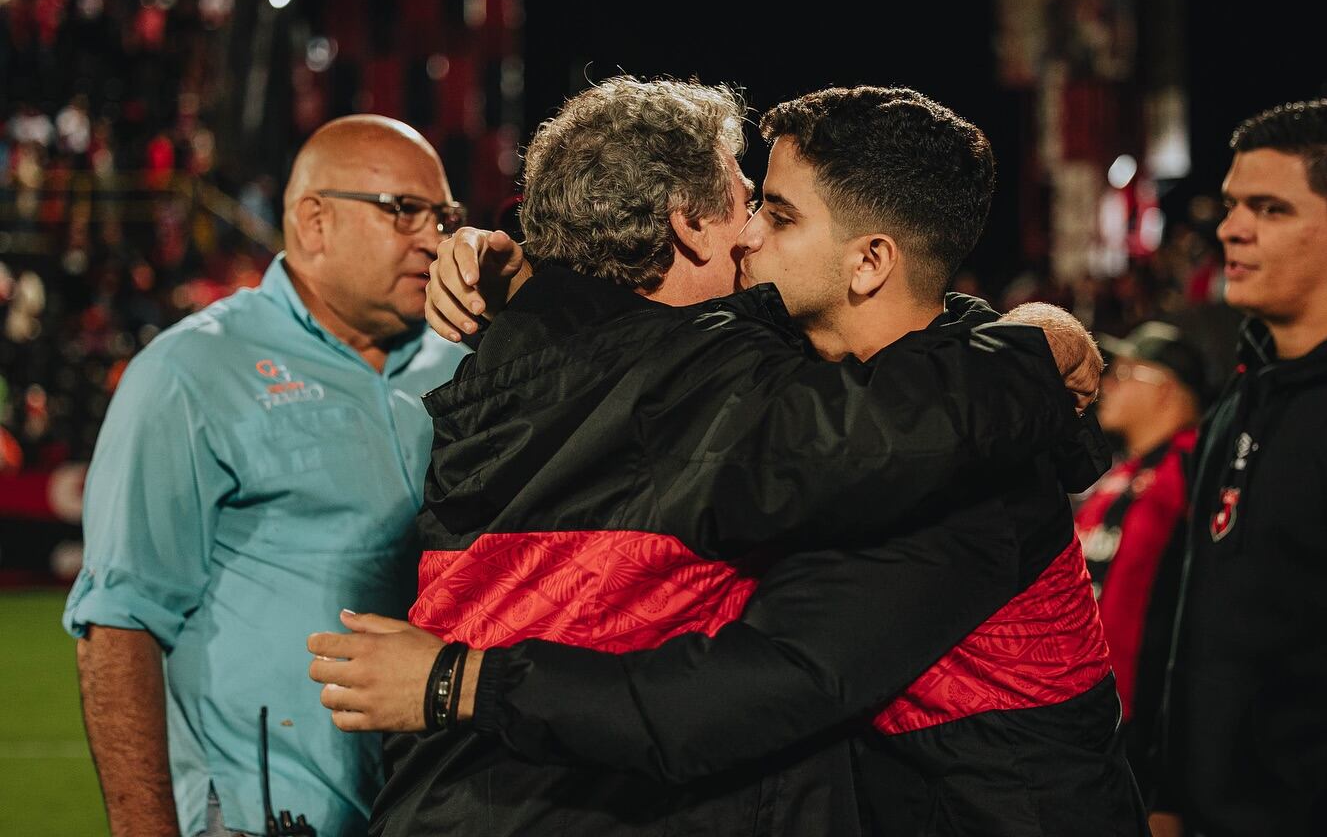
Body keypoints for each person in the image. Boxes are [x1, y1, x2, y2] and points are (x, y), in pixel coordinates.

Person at [311, 81, 1143, 835]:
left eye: (777, 214)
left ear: (869, 261)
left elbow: (743, 692)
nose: (750, 235)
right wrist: (1036, 346)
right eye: (754, 205)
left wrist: (1038, 343)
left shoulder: (948, 463)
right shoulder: (731, 386)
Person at [63, 115, 469, 837]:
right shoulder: (191, 372)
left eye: (444, 216)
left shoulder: (472, 365)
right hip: (261, 818)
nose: (434, 239)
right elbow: (120, 622)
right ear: (314, 222)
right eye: (404, 211)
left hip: (442, 813)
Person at [1152, 100, 1327, 836]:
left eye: (1271, 209)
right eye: (1232, 205)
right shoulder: (1242, 392)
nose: (1231, 229)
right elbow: (1196, 624)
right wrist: (1168, 794)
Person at [1076, 321, 1206, 793]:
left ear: (1165, 388)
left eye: (1127, 373)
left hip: (1145, 730)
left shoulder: (1195, 467)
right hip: (1085, 715)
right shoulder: (1115, 476)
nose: (1109, 385)